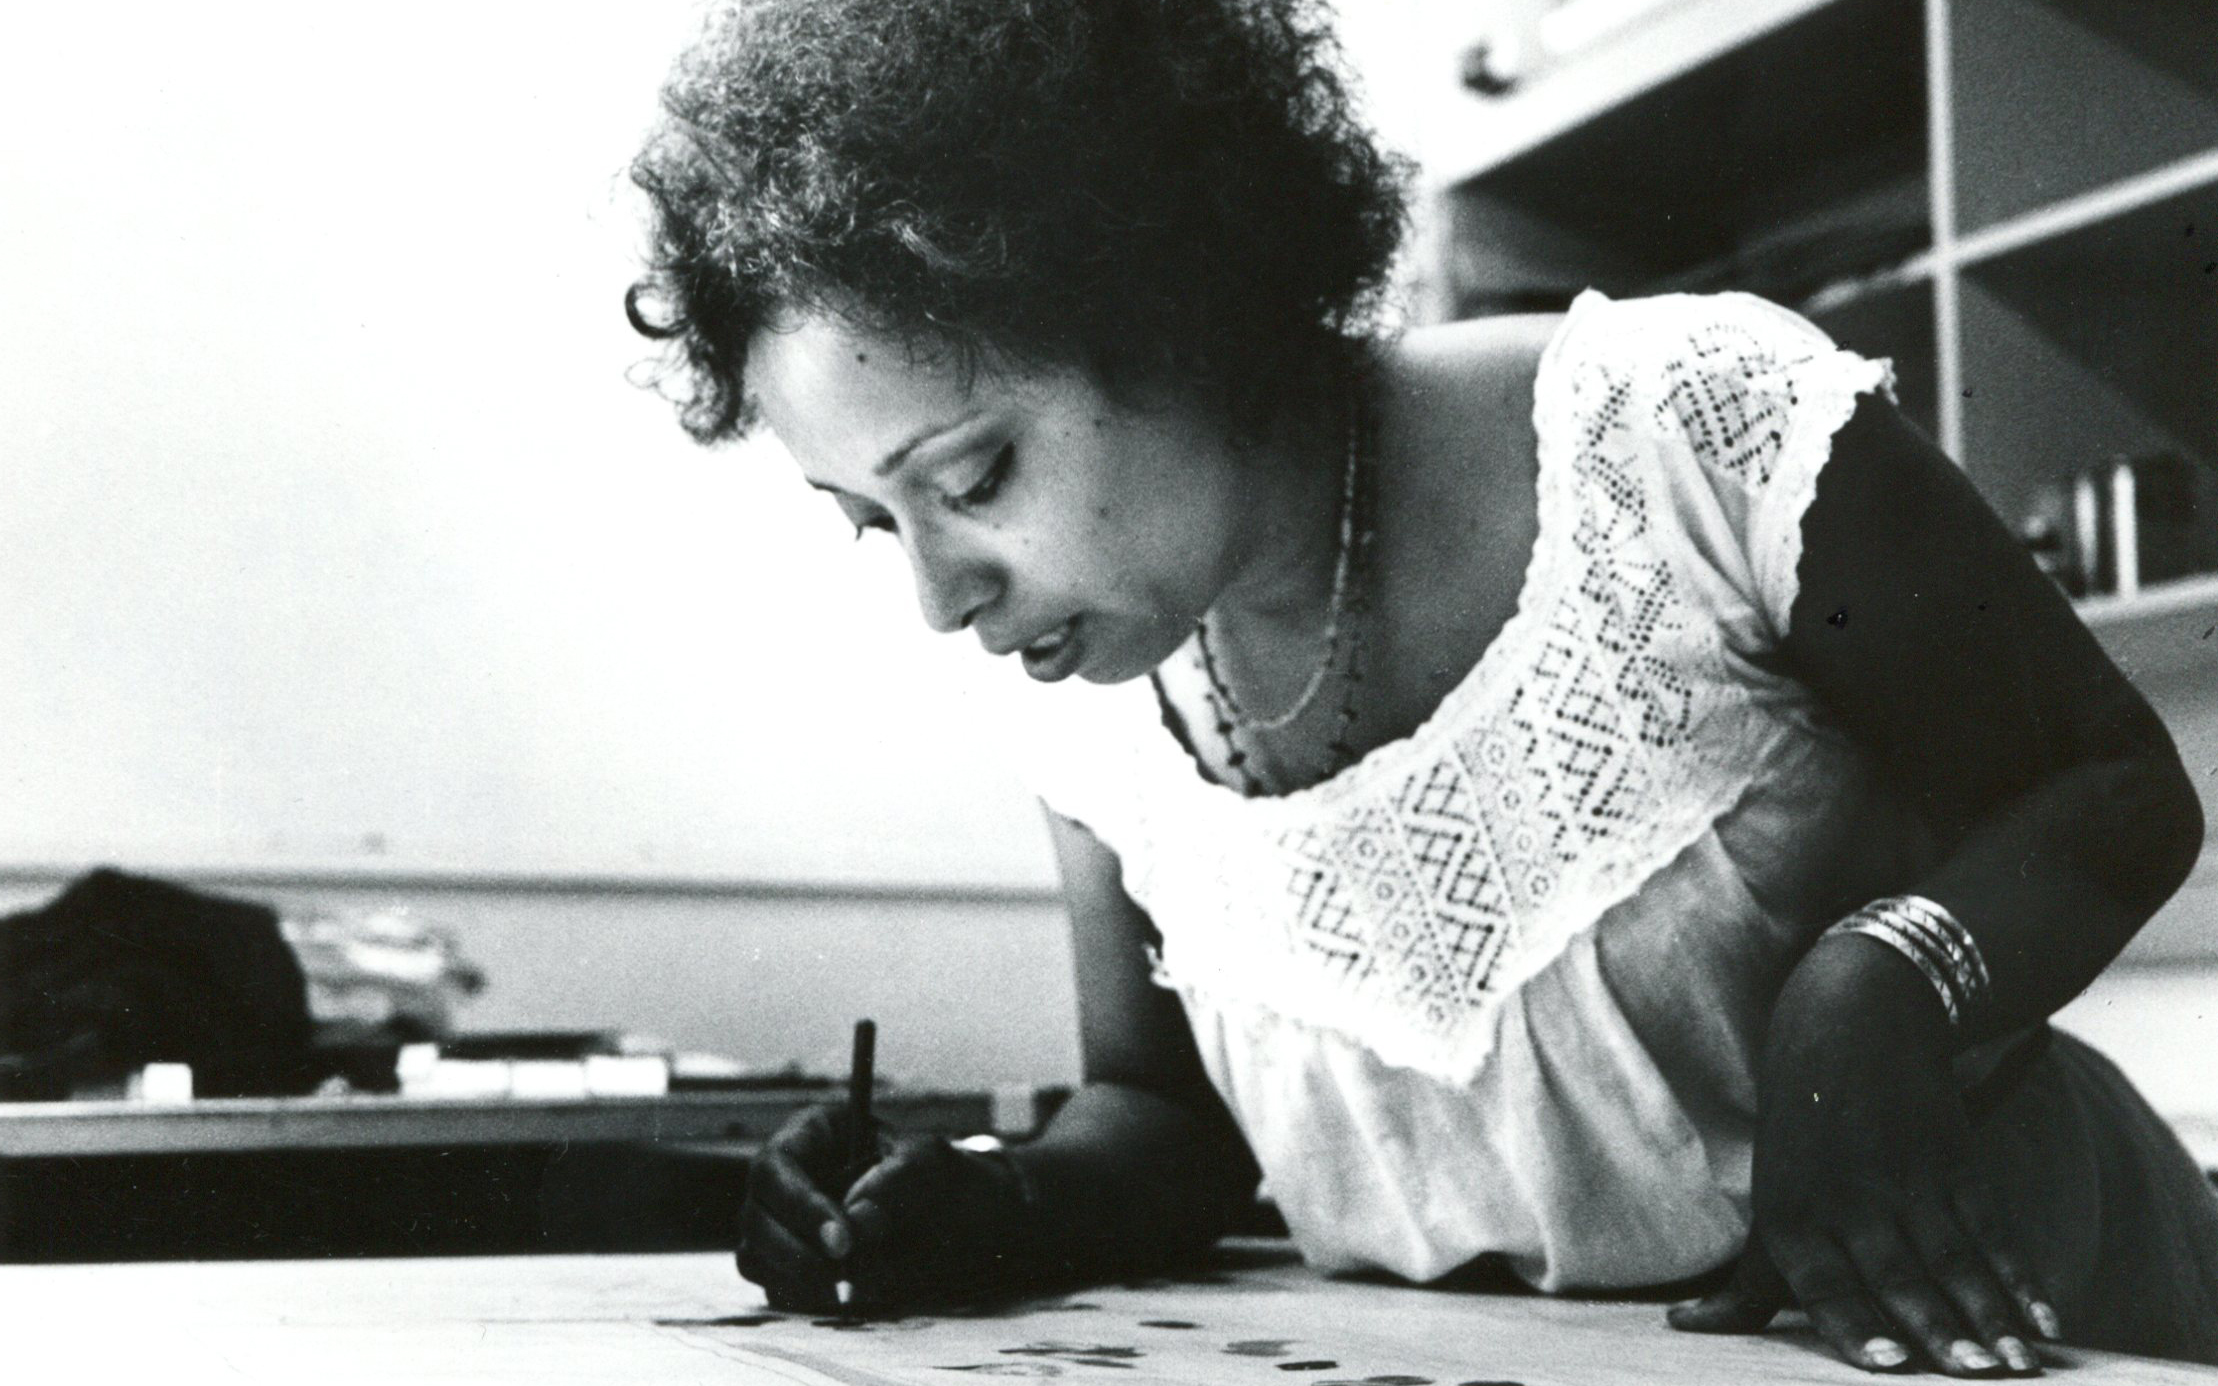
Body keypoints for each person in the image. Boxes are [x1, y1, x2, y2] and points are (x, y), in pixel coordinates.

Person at [624, 0, 2218, 1369]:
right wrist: (986, 1193)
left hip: (2006, 1326)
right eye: (868, 519)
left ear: (1171, 309)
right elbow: (1158, 1115)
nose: (936, 594)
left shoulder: (1674, 429)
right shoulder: (1088, 696)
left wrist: (1872, 979)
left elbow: (2107, 781)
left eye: (971, 475)